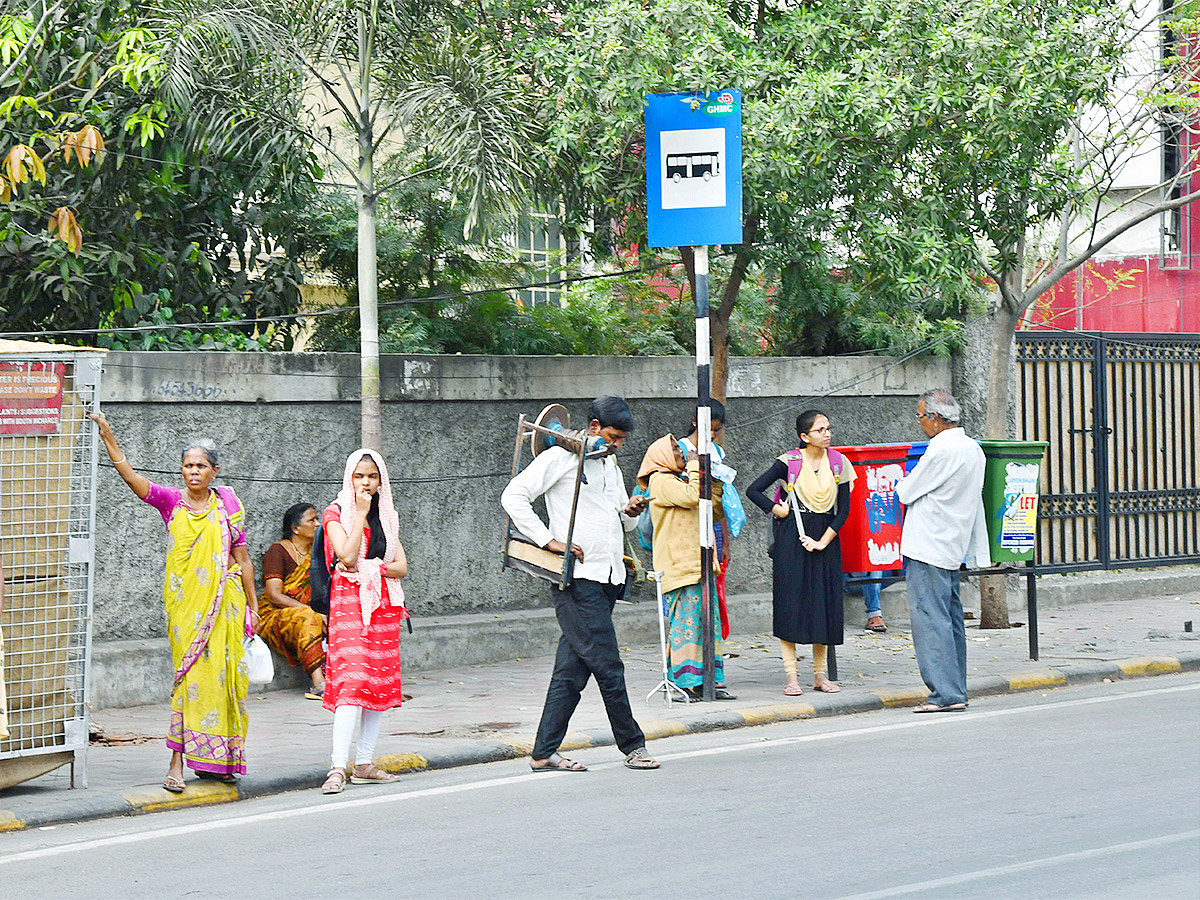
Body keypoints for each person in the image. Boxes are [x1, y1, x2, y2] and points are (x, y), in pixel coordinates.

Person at [89, 412, 257, 792]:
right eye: (187, 465)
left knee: (224, 681)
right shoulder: (171, 503)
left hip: (225, 608)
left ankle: (218, 761)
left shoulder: (228, 504)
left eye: (201, 466)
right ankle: (176, 763)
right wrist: (110, 437)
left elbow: (243, 559)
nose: (193, 472)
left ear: (214, 471)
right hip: (186, 611)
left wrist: (253, 606)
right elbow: (133, 480)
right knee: (189, 682)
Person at [501, 395, 660, 772]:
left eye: (621, 439)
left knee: (571, 671)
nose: (617, 444)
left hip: (608, 578)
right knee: (609, 665)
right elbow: (514, 496)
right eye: (612, 436)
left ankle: (543, 751)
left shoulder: (611, 465)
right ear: (592, 428)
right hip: (576, 580)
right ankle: (633, 745)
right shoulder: (559, 458)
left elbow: (622, 521)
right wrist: (547, 540)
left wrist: (633, 511)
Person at [895, 389, 991, 713]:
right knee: (950, 621)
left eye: (921, 417)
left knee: (930, 620)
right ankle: (956, 688)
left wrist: (899, 483)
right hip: (953, 544)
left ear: (935, 419)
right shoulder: (973, 449)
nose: (920, 423)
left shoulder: (940, 449)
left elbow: (907, 491)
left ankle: (944, 693)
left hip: (927, 544)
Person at [319, 449, 410, 794]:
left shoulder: (387, 515)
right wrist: (359, 513)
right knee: (352, 683)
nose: (366, 483)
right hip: (349, 605)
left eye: (372, 476)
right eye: (359, 476)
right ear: (349, 478)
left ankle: (365, 763)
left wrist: (373, 568)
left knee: (377, 682)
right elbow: (345, 554)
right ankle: (337, 766)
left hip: (384, 606)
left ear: (381, 479)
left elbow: (401, 565)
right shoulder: (335, 511)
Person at [747, 410, 856, 696]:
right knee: (790, 604)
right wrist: (776, 508)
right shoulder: (789, 462)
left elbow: (843, 510)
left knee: (824, 604)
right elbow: (754, 490)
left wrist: (823, 541)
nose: (827, 434)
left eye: (828, 428)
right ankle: (792, 676)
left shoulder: (839, 463)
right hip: (792, 536)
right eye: (820, 430)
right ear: (804, 436)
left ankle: (820, 676)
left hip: (826, 536)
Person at [637, 434, 735, 700]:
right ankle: (683, 684)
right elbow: (693, 497)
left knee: (708, 626)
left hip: (699, 565)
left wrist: (714, 482)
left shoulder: (678, 481)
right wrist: (695, 466)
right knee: (686, 627)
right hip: (680, 568)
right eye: (675, 451)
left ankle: (707, 683)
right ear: (661, 457)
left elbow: (711, 509)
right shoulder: (660, 483)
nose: (681, 454)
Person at [678, 400, 736, 643]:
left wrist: (725, 541)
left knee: (715, 588)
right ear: (695, 423)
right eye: (708, 429)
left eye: (716, 430)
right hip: (688, 524)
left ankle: (715, 643)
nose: (711, 435)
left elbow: (720, 498)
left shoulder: (717, 452)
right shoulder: (679, 449)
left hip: (714, 523)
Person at [259, 503, 326, 700]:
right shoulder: (278, 551)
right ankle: (318, 684)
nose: (318, 524)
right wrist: (311, 611)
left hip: (309, 612)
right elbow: (274, 595)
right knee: (308, 617)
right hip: (275, 614)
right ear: (295, 528)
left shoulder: (319, 553)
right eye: (312, 520)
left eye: (317, 519)